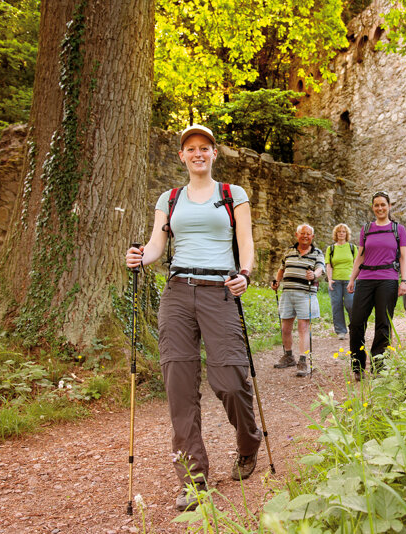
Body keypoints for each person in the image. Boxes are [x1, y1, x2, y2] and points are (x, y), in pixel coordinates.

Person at [124, 124, 262, 512]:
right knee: (179, 386)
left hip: (221, 290)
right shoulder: (169, 200)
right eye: (191, 149)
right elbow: (156, 245)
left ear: (214, 154)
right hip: (178, 292)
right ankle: (193, 479)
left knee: (230, 379)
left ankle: (249, 442)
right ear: (182, 156)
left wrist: (245, 274)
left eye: (205, 147)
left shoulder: (233, 194)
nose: (198, 153)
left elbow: (246, 243)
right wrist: (140, 257)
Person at [347, 191, 406, 381]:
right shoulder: (366, 229)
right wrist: (352, 279)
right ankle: (358, 364)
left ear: (389, 206)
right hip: (365, 279)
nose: (380, 208)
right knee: (356, 322)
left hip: (388, 279)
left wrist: (404, 281)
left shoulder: (398, 229)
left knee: (383, 324)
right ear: (373, 207)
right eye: (376, 205)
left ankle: (379, 365)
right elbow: (361, 256)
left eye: (383, 204)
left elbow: (404, 257)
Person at [270, 224, 325, 377]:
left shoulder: (317, 253)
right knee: (285, 328)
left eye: (308, 234)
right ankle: (288, 356)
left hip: (305, 293)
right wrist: (277, 281)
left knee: (303, 327)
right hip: (287, 293)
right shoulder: (289, 251)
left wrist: (314, 274)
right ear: (296, 235)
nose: (305, 236)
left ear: (312, 237)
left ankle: (303, 360)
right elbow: (282, 269)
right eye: (302, 233)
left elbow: (320, 268)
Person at [325, 224, 356, 340]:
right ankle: (340, 331)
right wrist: (329, 279)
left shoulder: (352, 248)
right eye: (339, 232)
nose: (341, 233)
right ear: (336, 234)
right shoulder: (331, 249)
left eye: (344, 231)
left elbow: (357, 264)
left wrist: (353, 279)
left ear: (347, 234)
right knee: (336, 306)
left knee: (350, 304)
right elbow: (329, 265)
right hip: (335, 281)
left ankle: (354, 327)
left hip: (349, 281)